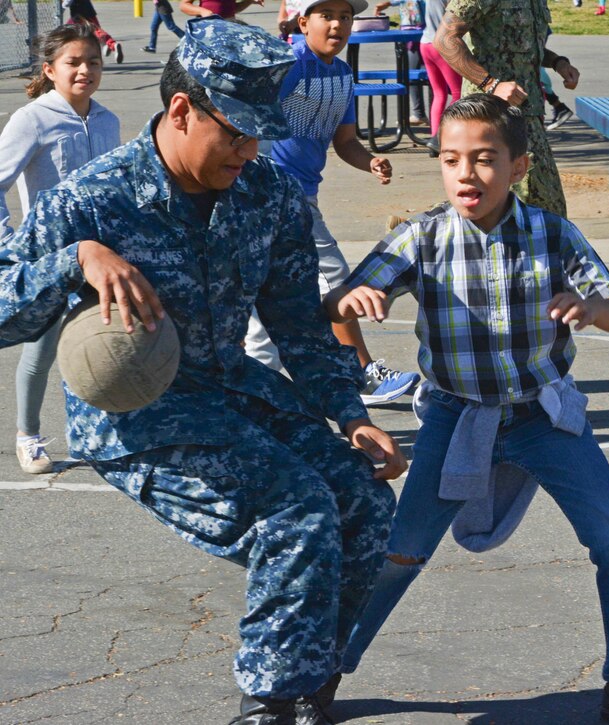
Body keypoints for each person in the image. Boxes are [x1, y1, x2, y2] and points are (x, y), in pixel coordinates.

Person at [0, 19, 405, 724]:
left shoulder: (268, 193)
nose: (250, 151)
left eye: (259, 135)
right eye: (237, 133)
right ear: (182, 109)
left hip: (232, 389)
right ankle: (270, 702)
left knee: (364, 502)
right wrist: (76, 260)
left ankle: (308, 682)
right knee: (297, 512)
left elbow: (299, 326)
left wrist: (351, 413)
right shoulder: (96, 200)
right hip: (141, 418)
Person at [327, 94, 609, 725]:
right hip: (454, 417)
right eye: (451, 159)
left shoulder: (554, 234)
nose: (466, 173)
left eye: (485, 159)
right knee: (400, 551)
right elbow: (338, 302)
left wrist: (589, 307)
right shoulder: (422, 235)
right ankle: (316, 673)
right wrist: (356, 294)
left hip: (541, 417)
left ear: (520, 165)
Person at [244, 0, 421, 406]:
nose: (338, 24)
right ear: (303, 22)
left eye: (345, 16)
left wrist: (371, 161)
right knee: (334, 277)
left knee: (267, 292)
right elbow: (252, 120)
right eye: (327, 15)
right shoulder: (288, 65)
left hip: (304, 194)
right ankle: (360, 373)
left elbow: (345, 143)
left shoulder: (341, 74)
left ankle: (257, 391)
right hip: (274, 194)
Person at [0, 24, 120, 474]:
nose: (85, 70)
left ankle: (96, 436)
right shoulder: (32, 119)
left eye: (93, 62)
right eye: (73, 63)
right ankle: (28, 436)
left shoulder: (108, 119)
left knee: (100, 345)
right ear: (50, 70)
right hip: (52, 259)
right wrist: (10, 242)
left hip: (102, 256)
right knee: (41, 352)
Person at [434, 0, 580, 217]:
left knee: (546, 210)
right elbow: (445, 40)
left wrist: (558, 62)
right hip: (488, 120)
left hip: (528, 117)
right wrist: (491, 84)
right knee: (498, 209)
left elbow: (525, 44)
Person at [419, 0, 461, 154]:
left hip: (425, 43)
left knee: (439, 94)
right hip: (442, 44)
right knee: (458, 94)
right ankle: (439, 137)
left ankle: (434, 139)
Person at [179, 0, 263, 20]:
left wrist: (249, 1)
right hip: (207, 27)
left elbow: (233, 8)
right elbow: (184, 5)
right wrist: (202, 11)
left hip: (229, 28)